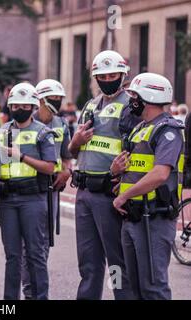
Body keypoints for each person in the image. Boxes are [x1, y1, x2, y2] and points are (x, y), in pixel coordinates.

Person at [68, 50, 140, 300]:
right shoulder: (90, 105)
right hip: (84, 191)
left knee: (117, 264)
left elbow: (136, 149)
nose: (107, 79)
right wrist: (75, 141)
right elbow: (73, 150)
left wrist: (121, 172)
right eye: (102, 75)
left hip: (108, 194)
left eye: (113, 75)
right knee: (88, 264)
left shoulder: (131, 106)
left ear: (123, 75)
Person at [112, 73, 183, 300]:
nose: (130, 99)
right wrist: (118, 178)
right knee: (133, 286)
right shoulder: (141, 127)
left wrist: (124, 197)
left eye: (134, 95)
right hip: (133, 216)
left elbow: (160, 173)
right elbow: (139, 169)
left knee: (153, 287)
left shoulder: (168, 130)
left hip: (154, 218)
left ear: (149, 97)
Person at [0, 83, 56, 300]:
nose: (19, 108)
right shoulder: (2, 131)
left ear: (33, 107)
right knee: (12, 256)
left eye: (24, 105)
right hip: (7, 200)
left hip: (33, 198)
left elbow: (50, 167)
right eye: (15, 105)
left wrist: (20, 156)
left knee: (35, 254)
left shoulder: (43, 132)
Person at [19, 79, 73, 299]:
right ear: (39, 99)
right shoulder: (24, 123)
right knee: (28, 246)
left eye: (60, 99)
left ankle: (37, 291)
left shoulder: (61, 124)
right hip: (29, 189)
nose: (57, 102)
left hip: (52, 189)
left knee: (42, 244)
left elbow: (67, 155)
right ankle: (30, 291)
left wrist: (66, 171)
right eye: (53, 98)